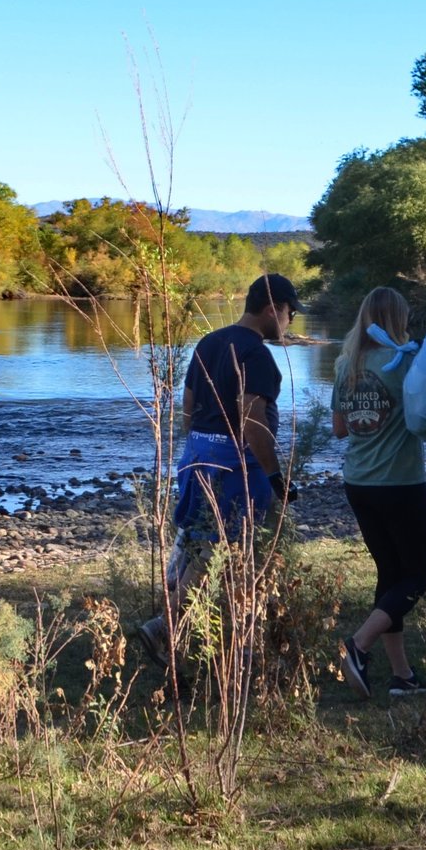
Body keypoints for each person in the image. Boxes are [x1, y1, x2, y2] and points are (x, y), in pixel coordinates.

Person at [139, 273, 301, 662]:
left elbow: (188, 405)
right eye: (290, 312)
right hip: (236, 465)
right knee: (226, 551)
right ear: (271, 309)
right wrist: (275, 475)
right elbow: (252, 418)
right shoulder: (257, 354)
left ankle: (225, 639)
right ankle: (167, 627)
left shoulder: (209, 342)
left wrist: (202, 445)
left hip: (196, 456)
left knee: (197, 541)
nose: (291, 321)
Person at [331, 287, 426, 697]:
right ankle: (358, 645)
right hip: (400, 483)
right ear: (397, 319)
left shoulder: (345, 365)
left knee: (391, 575)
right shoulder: (406, 362)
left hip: (358, 484)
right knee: (417, 577)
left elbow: (340, 429)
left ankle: (403, 677)